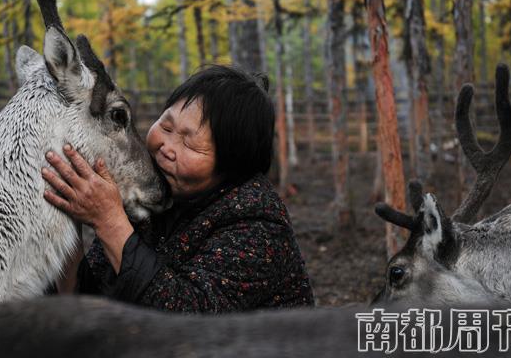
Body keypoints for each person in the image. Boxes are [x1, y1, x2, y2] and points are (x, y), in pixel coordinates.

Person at [42, 65, 314, 313]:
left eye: (190, 143)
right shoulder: (155, 194)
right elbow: (89, 301)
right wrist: (69, 218)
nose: (166, 147)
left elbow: (186, 319)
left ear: (232, 165)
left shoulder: (257, 224)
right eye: (167, 125)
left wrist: (108, 220)